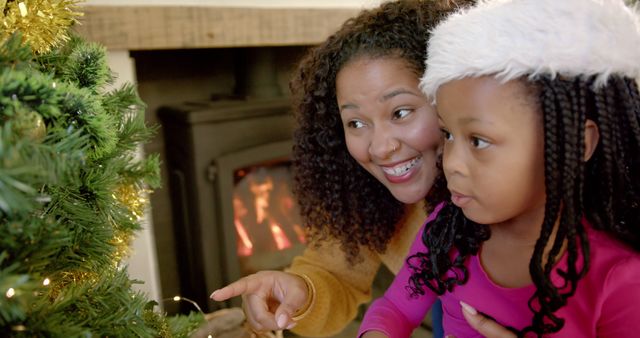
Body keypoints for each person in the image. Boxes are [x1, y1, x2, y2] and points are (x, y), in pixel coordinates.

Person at [358, 0, 640, 337]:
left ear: (576, 143)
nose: (451, 164)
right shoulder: (448, 232)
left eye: (478, 141)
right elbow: (396, 308)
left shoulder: (619, 278)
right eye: (448, 134)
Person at [209, 0, 474, 336]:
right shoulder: (378, 197)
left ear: (450, 97)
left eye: (401, 112)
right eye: (356, 123)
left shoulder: (521, 201)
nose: (380, 147)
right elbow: (346, 281)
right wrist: (298, 292)